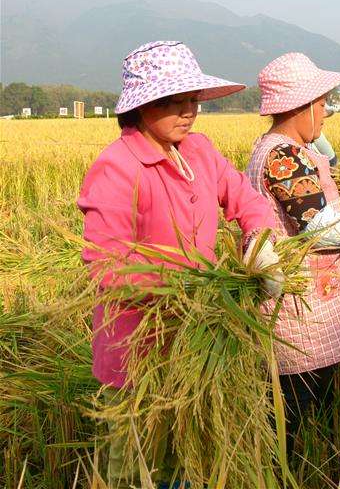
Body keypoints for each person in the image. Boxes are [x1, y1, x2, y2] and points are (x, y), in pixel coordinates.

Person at [78, 41, 281, 488]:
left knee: (191, 464)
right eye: (174, 101)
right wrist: (186, 283)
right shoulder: (117, 167)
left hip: (199, 343)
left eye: (192, 100)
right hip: (138, 352)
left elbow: (244, 198)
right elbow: (105, 265)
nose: (188, 111)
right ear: (142, 106)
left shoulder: (199, 151)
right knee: (134, 470)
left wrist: (260, 241)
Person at [246, 52, 340, 455]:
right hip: (298, 305)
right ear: (301, 106)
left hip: (312, 299)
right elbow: (321, 229)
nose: (326, 111)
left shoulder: (288, 149)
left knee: (312, 404)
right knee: (291, 412)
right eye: (323, 102)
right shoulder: (283, 157)